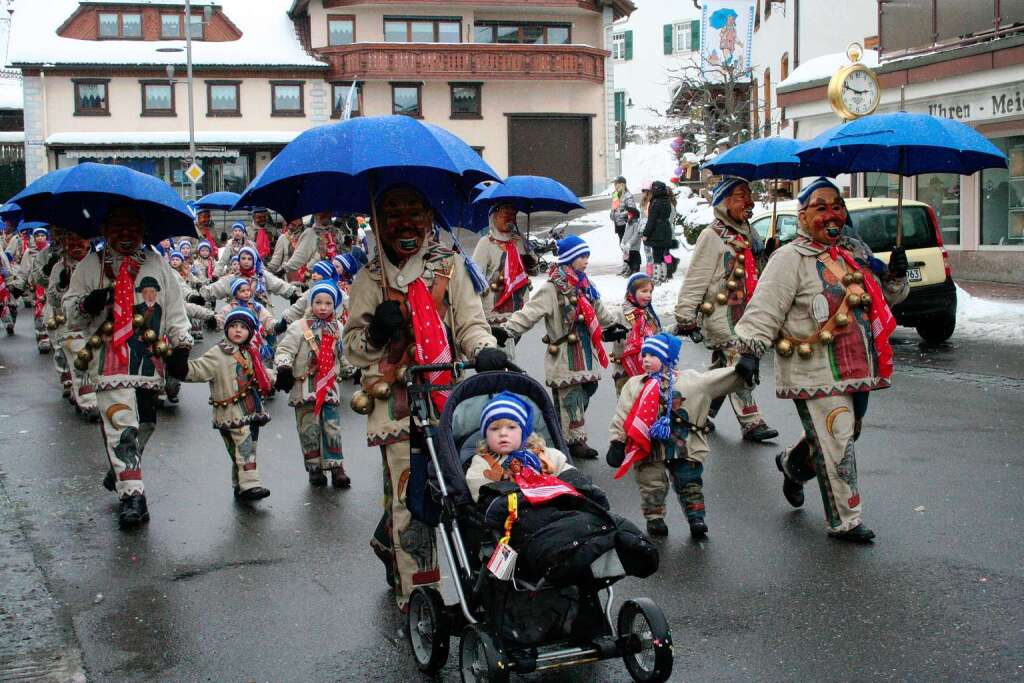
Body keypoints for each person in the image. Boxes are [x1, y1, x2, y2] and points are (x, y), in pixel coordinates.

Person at [343, 184, 505, 611]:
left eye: (413, 211)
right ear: (378, 224)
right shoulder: (368, 278)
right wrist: (376, 331)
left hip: (447, 396)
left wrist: (483, 349)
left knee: (459, 487)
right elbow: (353, 348)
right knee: (409, 498)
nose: (405, 224)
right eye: (392, 214)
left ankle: (389, 541)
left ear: (429, 218)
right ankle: (420, 596)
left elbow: (471, 324)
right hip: (393, 402)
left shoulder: (449, 268)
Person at [732, 177, 910, 543]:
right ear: (802, 215)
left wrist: (895, 274)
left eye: (837, 206)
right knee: (838, 436)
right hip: (811, 369)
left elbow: (883, 301)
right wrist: (749, 351)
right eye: (821, 207)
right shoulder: (788, 259)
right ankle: (846, 519)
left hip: (858, 368)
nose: (832, 215)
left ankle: (793, 466)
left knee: (846, 433)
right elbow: (765, 308)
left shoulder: (852, 255)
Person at [63, 203, 192, 529]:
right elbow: (70, 312)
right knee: (122, 425)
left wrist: (181, 345)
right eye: (118, 227)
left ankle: (120, 468)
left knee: (145, 425)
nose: (125, 234)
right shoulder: (91, 266)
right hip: (108, 360)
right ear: (105, 230)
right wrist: (88, 302)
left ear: (143, 230)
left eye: (132, 227)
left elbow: (175, 310)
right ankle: (133, 495)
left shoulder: (157, 264)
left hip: (149, 362)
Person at [494, 235, 627, 460]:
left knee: (587, 390)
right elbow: (531, 312)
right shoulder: (552, 288)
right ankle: (575, 441)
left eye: (587, 256)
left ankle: (557, 429)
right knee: (572, 397)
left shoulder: (585, 284)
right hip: (566, 353)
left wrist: (612, 325)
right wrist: (507, 329)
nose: (586, 261)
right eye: (582, 256)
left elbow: (599, 310)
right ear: (568, 258)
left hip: (586, 352)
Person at [607, 333, 749, 539]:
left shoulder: (691, 381)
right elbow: (623, 414)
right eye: (644, 354)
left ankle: (696, 517)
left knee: (689, 481)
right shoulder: (635, 385)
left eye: (652, 355)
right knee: (651, 484)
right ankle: (654, 518)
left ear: (666, 358)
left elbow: (717, 380)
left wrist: (742, 371)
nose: (645, 359)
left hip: (683, 445)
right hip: (648, 445)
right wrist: (617, 441)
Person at [673, 177, 779, 443]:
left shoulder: (747, 233)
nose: (749, 201)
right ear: (724, 201)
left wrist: (768, 253)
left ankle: (698, 409)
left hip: (746, 312)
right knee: (739, 365)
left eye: (749, 194)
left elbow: (756, 275)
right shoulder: (713, 236)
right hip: (722, 315)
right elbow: (696, 277)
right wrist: (686, 315)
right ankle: (752, 422)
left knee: (723, 368)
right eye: (741, 196)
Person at [169, 307, 274, 502]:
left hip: (251, 409)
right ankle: (250, 485)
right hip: (230, 412)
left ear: (250, 331)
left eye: (242, 327)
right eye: (233, 326)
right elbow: (198, 369)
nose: (237, 330)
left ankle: (241, 486)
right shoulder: (218, 353)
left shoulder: (251, 351)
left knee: (246, 449)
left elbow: (262, 373)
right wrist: (181, 367)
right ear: (226, 329)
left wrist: (277, 377)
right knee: (243, 448)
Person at [274, 280, 350, 488]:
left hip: (329, 387)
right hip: (304, 387)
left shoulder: (338, 327)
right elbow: (284, 350)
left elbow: (342, 353)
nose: (323, 307)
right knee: (309, 429)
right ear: (311, 303)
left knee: (332, 426)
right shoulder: (298, 328)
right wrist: (283, 368)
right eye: (318, 302)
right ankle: (314, 468)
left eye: (328, 303)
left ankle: (336, 467)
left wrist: (352, 368)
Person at [471, 202, 537, 356]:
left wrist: (530, 260)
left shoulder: (519, 241)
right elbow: (475, 276)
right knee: (502, 352)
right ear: (494, 217)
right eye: (505, 215)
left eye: (513, 215)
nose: (510, 219)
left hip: (517, 310)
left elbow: (534, 270)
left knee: (509, 349)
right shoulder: (486, 243)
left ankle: (506, 374)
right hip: (495, 310)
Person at [611, 272, 660, 394]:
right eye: (644, 291)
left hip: (649, 370)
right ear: (631, 293)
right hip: (625, 372)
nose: (648, 295)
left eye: (650, 292)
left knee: (649, 408)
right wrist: (615, 334)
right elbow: (604, 331)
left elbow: (657, 335)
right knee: (628, 409)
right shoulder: (619, 313)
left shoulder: (649, 314)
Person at [611, 176, 641, 276]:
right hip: (618, 224)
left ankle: (630, 267)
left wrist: (620, 215)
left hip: (626, 224)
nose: (615, 186)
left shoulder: (628, 196)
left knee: (628, 247)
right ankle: (626, 266)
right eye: (614, 184)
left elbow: (632, 210)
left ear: (622, 184)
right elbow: (614, 209)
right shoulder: (615, 195)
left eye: (617, 184)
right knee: (622, 246)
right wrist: (612, 214)